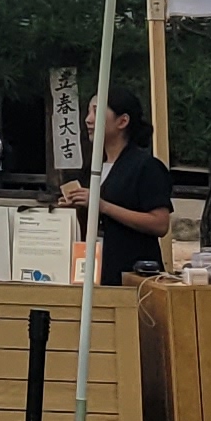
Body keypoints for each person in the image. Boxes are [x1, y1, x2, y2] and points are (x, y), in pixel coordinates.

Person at [59, 98, 177, 284]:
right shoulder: (93, 167)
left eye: (96, 111)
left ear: (122, 121)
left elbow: (160, 224)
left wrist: (104, 206)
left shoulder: (146, 166)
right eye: (88, 112)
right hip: (91, 269)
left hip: (131, 272)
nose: (88, 119)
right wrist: (76, 207)